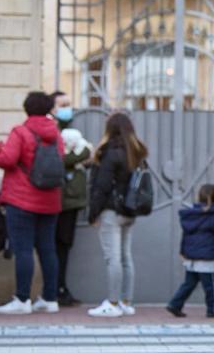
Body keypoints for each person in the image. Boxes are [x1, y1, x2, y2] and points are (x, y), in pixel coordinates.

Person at [0, 92, 64, 315]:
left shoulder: (20, 132)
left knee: (23, 250)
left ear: (27, 109)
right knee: (48, 249)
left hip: (22, 200)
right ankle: (50, 299)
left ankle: (22, 299)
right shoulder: (56, 134)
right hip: (50, 201)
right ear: (49, 109)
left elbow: (8, 159)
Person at [87, 112, 148, 318]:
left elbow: (101, 186)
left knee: (112, 258)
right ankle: (125, 302)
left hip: (111, 211)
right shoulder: (136, 153)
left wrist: (93, 213)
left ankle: (112, 303)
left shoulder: (110, 152)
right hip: (129, 212)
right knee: (125, 257)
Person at [166, 184, 214, 318]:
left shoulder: (191, 215)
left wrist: (182, 251)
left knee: (189, 284)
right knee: (211, 286)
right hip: (206, 259)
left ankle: (175, 304)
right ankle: (213, 309)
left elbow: (185, 235)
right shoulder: (213, 216)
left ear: (198, 197)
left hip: (191, 258)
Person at [50, 91, 91, 307]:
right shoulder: (50, 130)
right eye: (62, 104)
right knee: (56, 246)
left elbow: (89, 155)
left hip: (71, 198)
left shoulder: (70, 130)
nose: (67, 108)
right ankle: (55, 289)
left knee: (63, 246)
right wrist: (79, 157)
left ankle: (60, 288)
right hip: (59, 197)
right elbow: (63, 158)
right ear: (52, 108)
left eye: (69, 103)